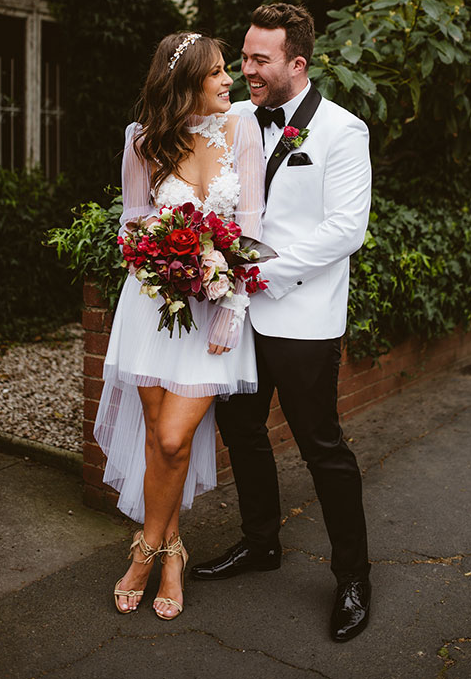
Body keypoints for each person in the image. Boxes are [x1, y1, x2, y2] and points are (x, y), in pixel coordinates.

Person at [191, 4, 373, 643]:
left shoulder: (343, 130)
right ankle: (260, 541)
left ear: (297, 63)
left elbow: (345, 229)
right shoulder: (237, 116)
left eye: (258, 60)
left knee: (322, 446)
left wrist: (262, 271)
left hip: (303, 316)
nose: (246, 70)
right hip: (237, 315)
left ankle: (353, 577)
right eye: (243, 57)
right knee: (241, 428)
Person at [94, 32, 265, 620]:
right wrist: (160, 254)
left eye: (226, 70)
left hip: (215, 310)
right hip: (154, 307)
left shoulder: (242, 131)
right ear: (186, 82)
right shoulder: (142, 140)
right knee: (156, 438)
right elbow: (132, 224)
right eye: (216, 72)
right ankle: (171, 552)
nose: (229, 80)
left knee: (173, 438)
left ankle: (143, 552)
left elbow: (251, 229)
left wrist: (232, 308)